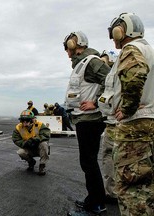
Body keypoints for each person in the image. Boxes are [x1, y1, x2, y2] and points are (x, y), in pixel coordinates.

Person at [98, 12, 154, 215]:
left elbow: (135, 75)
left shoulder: (132, 49)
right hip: (147, 124)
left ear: (121, 30)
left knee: (131, 189)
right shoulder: (148, 49)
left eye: (114, 32)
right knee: (145, 187)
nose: (113, 37)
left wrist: (128, 107)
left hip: (134, 128)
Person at [63, 31, 111, 216]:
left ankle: (97, 205)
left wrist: (96, 101)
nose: (66, 50)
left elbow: (112, 81)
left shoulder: (91, 61)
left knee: (89, 162)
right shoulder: (82, 64)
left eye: (67, 45)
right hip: (84, 119)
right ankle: (93, 199)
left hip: (90, 119)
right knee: (88, 162)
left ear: (74, 44)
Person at [99, 49, 119, 203]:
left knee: (110, 156)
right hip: (111, 122)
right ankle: (112, 191)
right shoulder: (110, 78)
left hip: (117, 123)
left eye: (104, 61)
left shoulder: (115, 76)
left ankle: (112, 192)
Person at [12, 110, 50, 176]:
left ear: (32, 120)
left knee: (44, 144)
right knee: (20, 152)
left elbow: (46, 134)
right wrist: (25, 143)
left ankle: (42, 166)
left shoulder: (39, 125)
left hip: (39, 147)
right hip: (28, 147)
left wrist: (35, 139)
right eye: (23, 120)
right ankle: (31, 162)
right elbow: (16, 139)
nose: (25, 122)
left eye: (27, 120)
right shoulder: (18, 127)